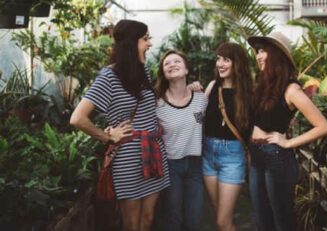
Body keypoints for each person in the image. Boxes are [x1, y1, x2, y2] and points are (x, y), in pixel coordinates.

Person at [70, 19, 170, 231]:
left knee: (148, 219)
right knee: (132, 224)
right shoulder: (108, 76)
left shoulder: (144, 72)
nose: (149, 44)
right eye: (145, 39)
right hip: (128, 157)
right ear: (130, 43)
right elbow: (78, 118)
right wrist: (107, 136)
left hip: (153, 151)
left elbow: (148, 108)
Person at [247, 31, 327, 231]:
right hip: (257, 157)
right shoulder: (264, 85)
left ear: (276, 55)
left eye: (262, 51)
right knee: (262, 221)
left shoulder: (291, 89)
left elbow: (323, 126)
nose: (258, 56)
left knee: (282, 222)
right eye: (257, 52)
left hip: (276, 159)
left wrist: (288, 142)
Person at [154, 50, 208, 231]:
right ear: (163, 73)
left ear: (186, 70)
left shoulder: (201, 99)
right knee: (173, 218)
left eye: (177, 61)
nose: (172, 65)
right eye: (167, 64)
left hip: (195, 165)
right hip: (170, 166)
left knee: (194, 218)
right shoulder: (157, 103)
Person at [202, 42, 253, 231]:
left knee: (223, 221)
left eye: (226, 60)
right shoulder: (213, 86)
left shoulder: (249, 93)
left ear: (237, 63)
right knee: (221, 219)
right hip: (208, 154)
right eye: (218, 59)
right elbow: (197, 116)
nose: (220, 64)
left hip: (232, 156)